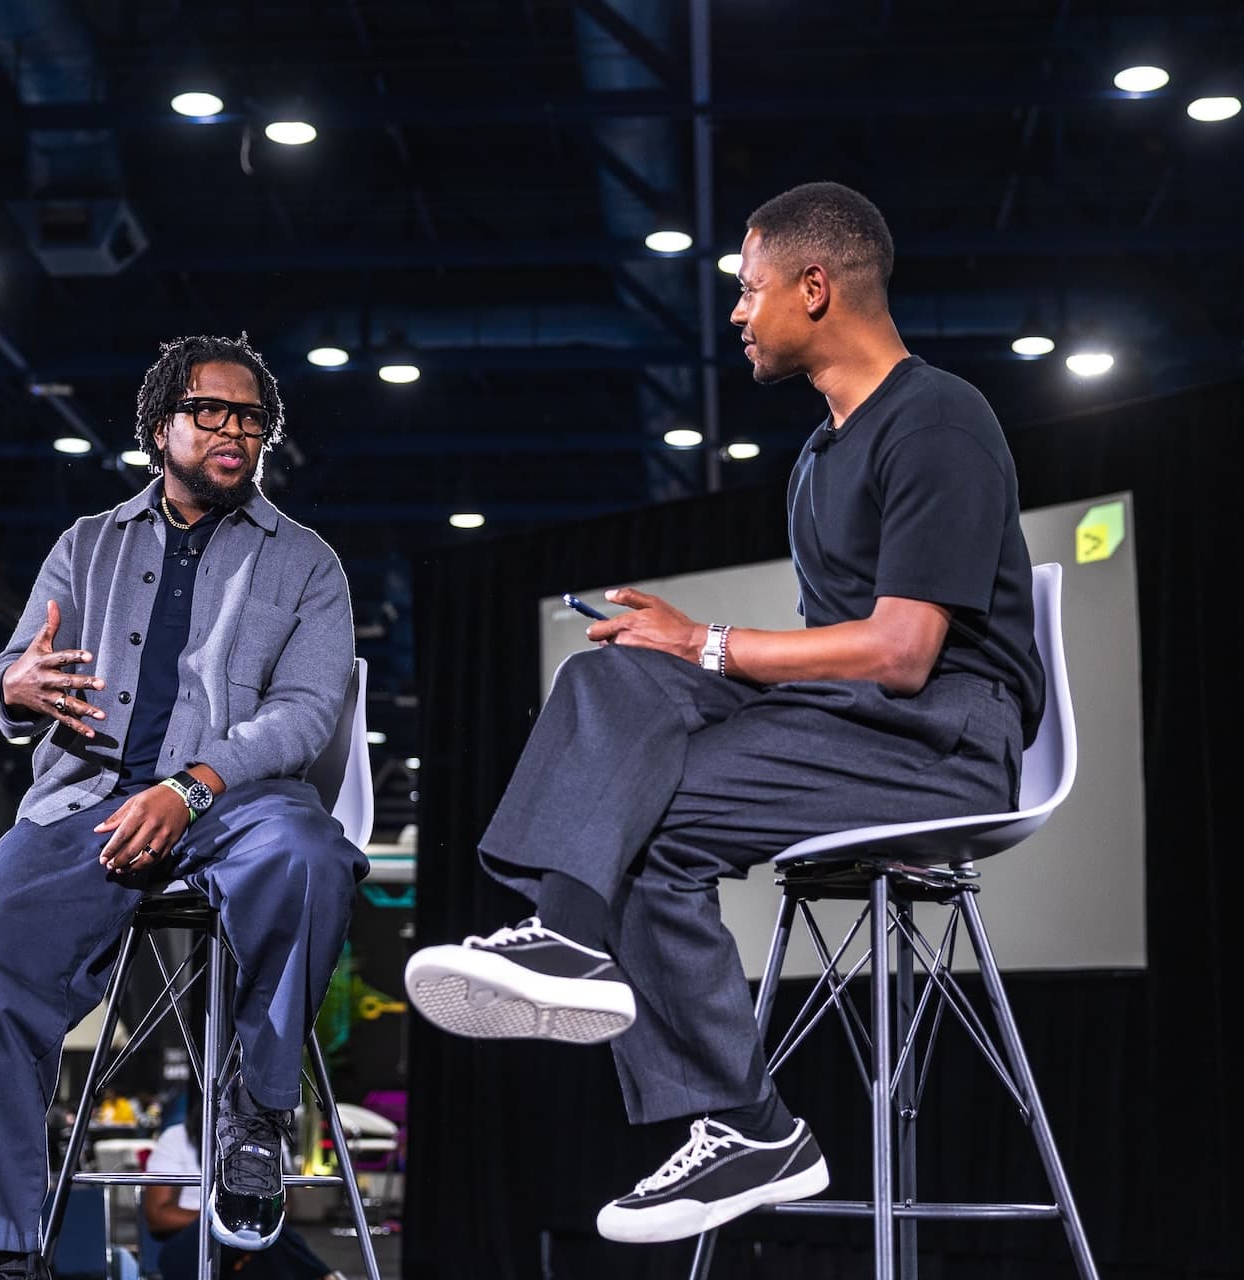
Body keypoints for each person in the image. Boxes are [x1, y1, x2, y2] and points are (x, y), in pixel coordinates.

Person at [406, 181, 1045, 1245]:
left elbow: (900, 652)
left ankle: (746, 1124)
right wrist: (683, 649)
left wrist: (707, 644)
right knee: (611, 676)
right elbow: (833, 664)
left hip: (947, 741)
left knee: (648, 804)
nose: (738, 313)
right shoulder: (818, 456)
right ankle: (573, 943)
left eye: (749, 290)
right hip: (859, 723)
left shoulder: (937, 419)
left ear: (814, 286)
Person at [0, 334, 365, 1280]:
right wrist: (14, 687)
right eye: (212, 412)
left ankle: (253, 1113)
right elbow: (14, 668)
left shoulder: (308, 564)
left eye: (252, 419)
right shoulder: (86, 544)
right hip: (88, 799)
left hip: (235, 801)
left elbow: (305, 714)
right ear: (160, 426)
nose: (235, 432)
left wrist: (190, 785)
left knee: (313, 857)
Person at [141, 1112, 340, 1280]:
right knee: (254, 1231)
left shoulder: (268, 1136)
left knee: (260, 1239)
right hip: (187, 1248)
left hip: (248, 1255)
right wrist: (226, 1214)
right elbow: (158, 1216)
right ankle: (324, 1276)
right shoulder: (177, 1137)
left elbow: (284, 1206)